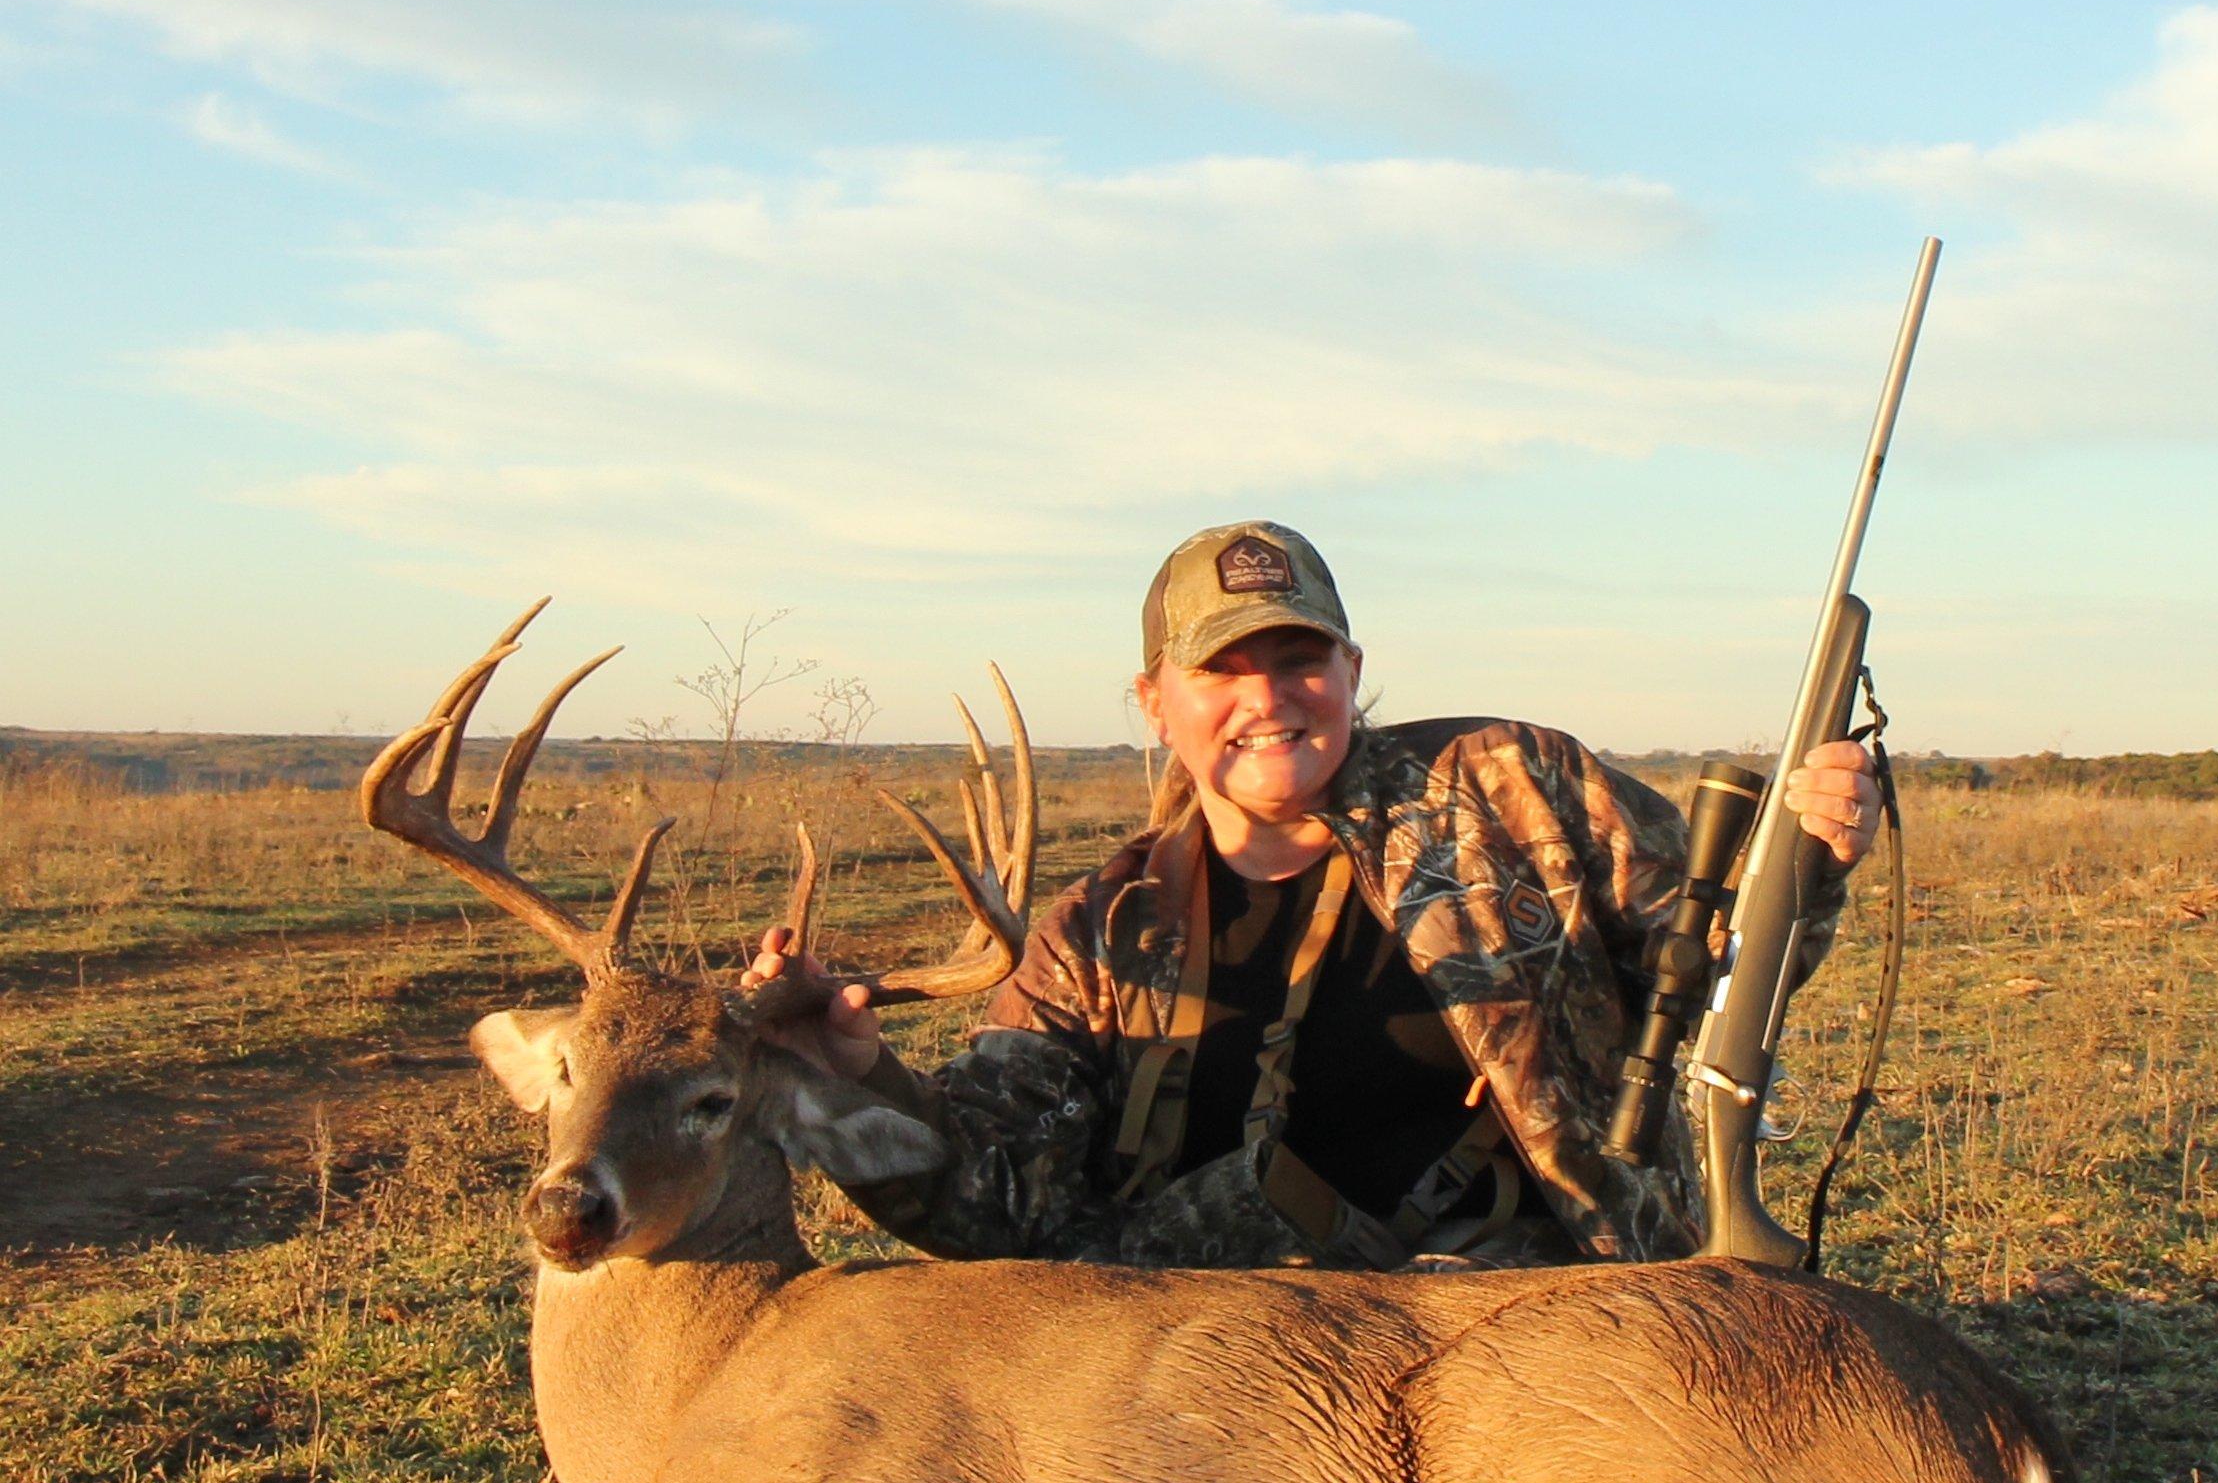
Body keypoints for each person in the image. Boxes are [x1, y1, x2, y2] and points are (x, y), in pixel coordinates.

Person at [744, 520, 1875, 1269]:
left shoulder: (1510, 785)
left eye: (1300, 661)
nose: (1269, 699)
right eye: (1222, 669)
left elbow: (1717, 962)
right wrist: (856, 1079)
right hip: (1232, 1369)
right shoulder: (1100, 934)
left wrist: (1807, 860)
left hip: (1538, 1320)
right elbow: (993, 1205)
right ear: (1153, 699)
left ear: (1349, 669)